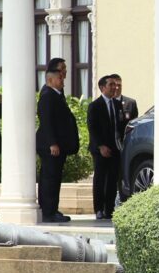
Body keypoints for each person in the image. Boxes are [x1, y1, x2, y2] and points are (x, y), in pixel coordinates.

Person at [36, 69, 79, 223]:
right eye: (59, 78)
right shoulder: (47, 96)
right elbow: (46, 121)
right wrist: (52, 143)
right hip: (51, 146)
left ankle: (52, 209)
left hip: (58, 145)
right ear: (50, 80)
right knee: (50, 179)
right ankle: (48, 212)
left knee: (55, 179)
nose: (63, 81)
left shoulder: (56, 95)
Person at [88, 76, 121, 220]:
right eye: (111, 85)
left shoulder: (118, 105)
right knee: (100, 179)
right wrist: (101, 146)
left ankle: (109, 209)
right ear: (102, 88)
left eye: (115, 85)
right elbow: (92, 128)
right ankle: (99, 209)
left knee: (112, 180)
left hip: (115, 148)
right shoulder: (95, 106)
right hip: (100, 149)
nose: (114, 87)